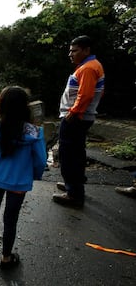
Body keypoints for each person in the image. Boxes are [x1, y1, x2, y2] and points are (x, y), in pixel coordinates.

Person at [0, 86, 47, 269]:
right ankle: (6, 257)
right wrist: (35, 175)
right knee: (11, 218)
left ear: (2, 104)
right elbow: (41, 160)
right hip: (19, 181)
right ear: (26, 107)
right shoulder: (35, 132)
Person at [53, 35, 105, 207]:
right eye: (70, 50)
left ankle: (74, 194)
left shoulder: (88, 68)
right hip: (82, 117)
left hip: (76, 118)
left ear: (86, 50)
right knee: (77, 152)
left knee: (68, 155)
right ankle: (73, 185)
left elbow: (86, 94)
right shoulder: (89, 66)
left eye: (74, 51)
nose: (70, 54)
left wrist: (74, 112)